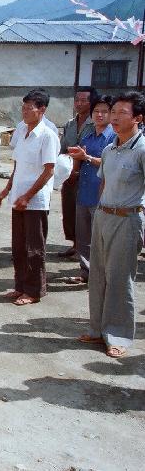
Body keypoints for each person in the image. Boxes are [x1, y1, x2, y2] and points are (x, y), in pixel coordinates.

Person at [81, 91, 145, 358]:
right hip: (104, 216)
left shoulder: (141, 150)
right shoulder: (109, 149)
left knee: (119, 278)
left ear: (138, 118)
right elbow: (104, 183)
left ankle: (117, 335)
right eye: (113, 112)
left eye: (122, 113)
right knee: (98, 276)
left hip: (127, 219)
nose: (115, 118)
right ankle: (98, 330)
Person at [0, 89, 59, 306]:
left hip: (35, 201)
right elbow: (18, 165)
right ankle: (20, 286)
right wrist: (8, 188)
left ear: (42, 110)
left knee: (34, 248)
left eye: (29, 108)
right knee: (19, 246)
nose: (24, 112)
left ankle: (34, 290)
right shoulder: (22, 130)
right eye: (22, 107)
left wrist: (28, 195)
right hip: (19, 198)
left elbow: (49, 170)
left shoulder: (47, 135)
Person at [64, 95, 114, 285]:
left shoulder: (114, 138)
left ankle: (101, 276)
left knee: (100, 239)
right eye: (96, 112)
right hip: (83, 192)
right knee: (83, 237)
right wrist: (74, 165)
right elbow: (80, 159)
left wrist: (87, 158)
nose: (100, 115)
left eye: (104, 112)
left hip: (101, 195)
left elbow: (110, 162)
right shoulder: (87, 136)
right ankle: (86, 273)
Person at [58, 87, 97, 259]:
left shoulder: (95, 124)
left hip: (87, 174)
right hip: (68, 173)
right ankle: (74, 244)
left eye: (84, 100)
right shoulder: (69, 124)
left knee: (86, 214)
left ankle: (85, 251)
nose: (79, 103)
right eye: (77, 100)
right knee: (69, 210)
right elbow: (62, 147)